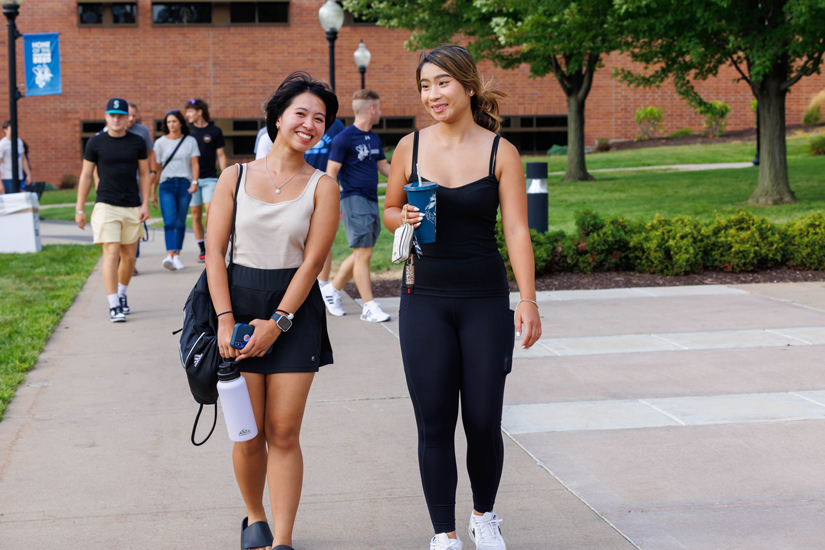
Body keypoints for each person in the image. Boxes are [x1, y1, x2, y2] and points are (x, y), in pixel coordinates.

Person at [383, 45, 542, 550]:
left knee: (482, 420)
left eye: (442, 83)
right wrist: (401, 218)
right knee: (433, 420)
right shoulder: (408, 148)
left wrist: (530, 300)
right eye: (425, 85)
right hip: (423, 297)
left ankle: (483, 516)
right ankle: (444, 534)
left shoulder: (502, 152)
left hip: (484, 301)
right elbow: (388, 209)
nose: (432, 94)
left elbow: (517, 230)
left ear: (468, 86)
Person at [206, 72, 339, 550]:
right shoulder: (235, 177)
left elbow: (312, 264)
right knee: (248, 431)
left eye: (320, 119)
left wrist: (279, 322)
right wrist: (224, 318)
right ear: (279, 116)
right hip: (237, 307)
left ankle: (282, 540)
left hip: (294, 312)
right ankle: (255, 519)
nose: (309, 124)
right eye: (301, 113)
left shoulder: (323, 186)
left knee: (283, 432)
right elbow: (215, 254)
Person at [75, 98, 149, 322]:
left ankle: (122, 294)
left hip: (132, 206)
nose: (116, 119)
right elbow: (86, 176)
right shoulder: (95, 143)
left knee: (128, 258)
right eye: (112, 115)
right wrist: (79, 209)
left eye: (120, 115)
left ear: (128, 118)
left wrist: (145, 203)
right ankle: (113, 304)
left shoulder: (137, 142)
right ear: (106, 117)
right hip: (106, 205)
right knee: (112, 253)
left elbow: (145, 174)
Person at [319, 89, 391, 321]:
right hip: (353, 198)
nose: (380, 112)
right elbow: (331, 172)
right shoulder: (344, 139)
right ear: (371, 110)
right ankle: (368, 307)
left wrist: (410, 178)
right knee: (363, 254)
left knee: (363, 252)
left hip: (370, 199)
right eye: (378, 108)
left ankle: (332, 289)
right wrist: (335, 204)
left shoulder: (374, 137)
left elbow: (384, 168)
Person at [301, 80, 346, 289]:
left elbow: (340, 161)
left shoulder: (337, 126)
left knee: (323, 241)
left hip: (323, 185)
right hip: (300, 184)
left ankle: (323, 285)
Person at [152, 110, 200, 271]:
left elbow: (194, 164)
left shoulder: (190, 141)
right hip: (166, 185)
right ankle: (170, 254)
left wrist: (194, 182)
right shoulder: (159, 143)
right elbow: (157, 169)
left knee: (180, 223)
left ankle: (176, 255)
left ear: (180, 122)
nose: (171, 125)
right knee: (170, 221)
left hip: (184, 184)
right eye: (168, 122)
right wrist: (153, 191)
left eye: (174, 121)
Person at [185, 98, 227, 263]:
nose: (187, 114)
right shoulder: (187, 131)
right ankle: (202, 248)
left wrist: (225, 176)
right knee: (195, 214)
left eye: (190, 111)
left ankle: (211, 243)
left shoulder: (215, 130)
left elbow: (221, 155)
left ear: (199, 111)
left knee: (210, 210)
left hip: (210, 178)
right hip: (192, 180)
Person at [0, 120, 32, 194]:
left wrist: (28, 174)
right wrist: (0, 183)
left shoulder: (19, 142)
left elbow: (23, 159)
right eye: (11, 128)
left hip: (19, 177)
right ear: (5, 130)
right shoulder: (2, 144)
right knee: (11, 200)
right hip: (7, 178)